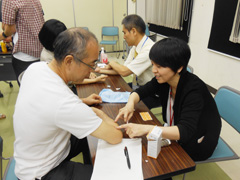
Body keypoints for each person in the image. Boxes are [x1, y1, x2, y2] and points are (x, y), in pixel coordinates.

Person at [13, 27, 122, 180]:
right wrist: (100, 114)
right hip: (42, 172)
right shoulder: (64, 102)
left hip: (32, 156)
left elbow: (46, 102)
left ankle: (89, 161)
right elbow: (116, 136)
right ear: (69, 61)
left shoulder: (36, 68)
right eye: (91, 64)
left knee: (89, 137)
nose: (93, 70)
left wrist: (82, 101)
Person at [116, 37, 221, 161]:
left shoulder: (194, 90)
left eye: (159, 66)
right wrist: (129, 105)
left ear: (179, 68)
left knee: (156, 159)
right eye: (153, 64)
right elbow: (140, 92)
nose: (154, 70)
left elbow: (184, 131)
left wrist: (145, 128)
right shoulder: (164, 79)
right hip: (177, 129)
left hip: (200, 140)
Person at [96, 14, 157, 108]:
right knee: (111, 94)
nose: (123, 37)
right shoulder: (135, 47)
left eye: (124, 33)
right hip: (137, 86)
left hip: (151, 93)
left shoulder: (149, 49)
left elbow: (124, 72)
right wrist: (100, 71)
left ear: (133, 31)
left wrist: (111, 63)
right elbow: (123, 69)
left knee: (121, 106)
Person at [38, 19, 107, 85]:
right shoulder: (48, 58)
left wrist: (86, 71)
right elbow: (70, 80)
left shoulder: (56, 51)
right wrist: (94, 80)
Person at [0, 0, 44, 86]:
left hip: (24, 54)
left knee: (28, 90)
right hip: (41, 50)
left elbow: (10, 29)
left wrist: (3, 35)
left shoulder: (8, 1)